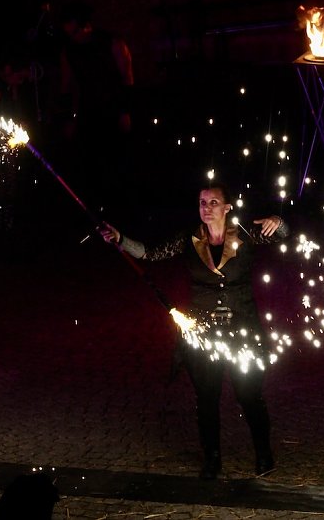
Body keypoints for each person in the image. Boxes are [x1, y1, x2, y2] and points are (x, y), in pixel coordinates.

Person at [99, 180, 289, 480]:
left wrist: (278, 222)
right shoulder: (189, 239)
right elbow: (150, 253)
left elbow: (282, 235)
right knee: (207, 399)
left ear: (227, 207)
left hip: (243, 332)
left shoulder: (246, 234)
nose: (207, 208)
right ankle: (212, 459)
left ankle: (264, 454)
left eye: (213, 202)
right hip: (203, 335)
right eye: (202, 202)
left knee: (250, 395)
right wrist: (121, 239)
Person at [54, 0, 136, 221]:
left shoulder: (112, 43)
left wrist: (125, 112)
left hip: (113, 109)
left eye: (76, 31)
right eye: (69, 33)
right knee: (92, 162)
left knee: (117, 159)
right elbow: (67, 85)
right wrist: (69, 117)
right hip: (88, 110)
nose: (74, 37)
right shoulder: (70, 51)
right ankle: (97, 212)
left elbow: (127, 79)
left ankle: (121, 212)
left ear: (85, 25)